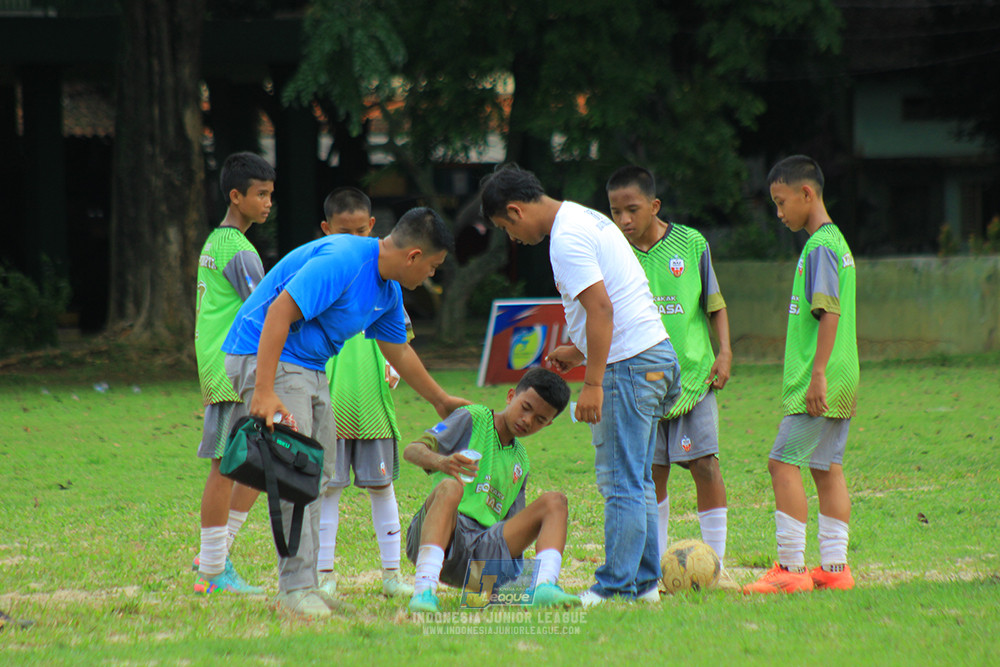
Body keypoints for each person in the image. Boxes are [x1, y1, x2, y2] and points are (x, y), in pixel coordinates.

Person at [222, 206, 468, 619]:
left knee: (318, 471)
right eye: (433, 267)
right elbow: (279, 313)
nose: (431, 276)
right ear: (413, 257)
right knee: (294, 472)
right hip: (266, 355)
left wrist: (440, 400)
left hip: (309, 366)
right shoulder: (344, 260)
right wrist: (262, 391)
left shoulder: (387, 291)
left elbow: (398, 349)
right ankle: (294, 590)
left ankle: (309, 585)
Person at [479, 164, 681, 606]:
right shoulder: (584, 217)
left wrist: (592, 384)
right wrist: (581, 350)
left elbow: (603, 309)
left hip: (629, 365)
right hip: (654, 357)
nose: (512, 239)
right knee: (639, 479)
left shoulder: (566, 239)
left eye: (504, 228)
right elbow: (613, 303)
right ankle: (644, 585)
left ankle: (613, 588)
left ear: (515, 211)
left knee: (621, 482)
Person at [605, 166, 738, 591]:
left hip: (693, 379)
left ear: (654, 206)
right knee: (652, 473)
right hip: (642, 379)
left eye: (632, 209)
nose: (624, 220)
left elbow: (714, 304)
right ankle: (659, 571)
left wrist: (725, 352)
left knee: (704, 465)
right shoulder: (614, 253)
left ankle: (716, 566)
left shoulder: (691, 243)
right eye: (615, 212)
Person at [743, 155, 859, 594]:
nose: (778, 213)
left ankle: (790, 570)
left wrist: (818, 375)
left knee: (781, 463)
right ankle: (834, 568)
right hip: (844, 376)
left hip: (823, 378)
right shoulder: (835, 242)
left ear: (806, 194)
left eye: (781, 202)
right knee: (827, 468)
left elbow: (827, 313)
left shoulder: (820, 248)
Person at [403, 368, 580, 612]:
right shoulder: (473, 417)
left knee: (555, 502)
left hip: (476, 564)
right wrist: (443, 462)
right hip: (436, 540)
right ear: (510, 396)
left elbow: (510, 528)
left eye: (540, 419)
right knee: (451, 487)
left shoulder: (521, 460)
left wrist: (504, 586)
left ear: (548, 424)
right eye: (526, 407)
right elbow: (411, 451)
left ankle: (543, 585)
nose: (528, 420)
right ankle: (424, 591)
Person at [314, 187, 414, 599]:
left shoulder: (385, 275)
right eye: (343, 231)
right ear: (325, 231)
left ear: (373, 227)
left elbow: (401, 335)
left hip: (373, 405)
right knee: (327, 489)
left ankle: (392, 575)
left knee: (382, 487)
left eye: (361, 230)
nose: (353, 238)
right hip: (329, 403)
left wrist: (393, 367)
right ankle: (324, 575)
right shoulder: (320, 273)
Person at [193, 152, 274, 596]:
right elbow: (267, 310)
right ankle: (211, 571)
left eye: (270, 195)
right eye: (260, 195)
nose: (266, 203)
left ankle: (215, 555)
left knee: (257, 464)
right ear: (236, 196)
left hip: (222, 368)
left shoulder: (216, 242)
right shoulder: (238, 250)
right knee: (227, 468)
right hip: (232, 371)